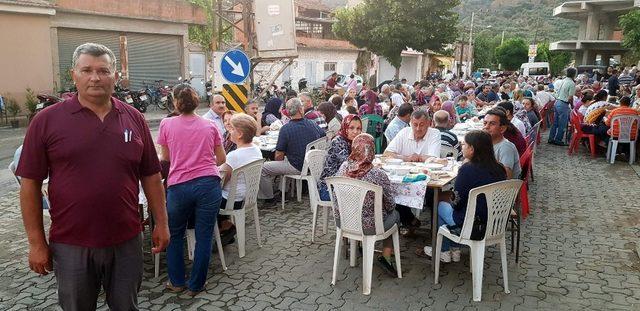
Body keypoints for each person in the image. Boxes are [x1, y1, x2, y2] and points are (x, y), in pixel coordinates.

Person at [17, 43, 169, 310]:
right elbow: (29, 184)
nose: (95, 77)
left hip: (126, 240)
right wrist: (36, 243)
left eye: (103, 70)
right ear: (73, 74)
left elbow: (151, 176)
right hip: (71, 243)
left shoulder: (133, 118)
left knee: (126, 306)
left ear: (115, 76)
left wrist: (162, 223)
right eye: (86, 70)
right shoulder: (47, 121)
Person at [158, 84, 226, 296]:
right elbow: (222, 159)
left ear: (175, 102)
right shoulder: (210, 126)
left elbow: (166, 158)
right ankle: (196, 285)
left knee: (175, 234)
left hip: (179, 186)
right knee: (204, 235)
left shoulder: (166, 124)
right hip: (208, 184)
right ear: (197, 102)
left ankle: (177, 281)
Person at [422, 131, 507, 262]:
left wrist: (447, 197)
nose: (462, 148)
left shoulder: (467, 169)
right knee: (446, 202)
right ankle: (454, 249)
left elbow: (457, 203)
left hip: (472, 226)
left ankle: (443, 250)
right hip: (494, 224)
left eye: (464, 145)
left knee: (439, 204)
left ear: (472, 149)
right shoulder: (499, 169)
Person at [335, 133, 401, 275]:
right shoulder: (378, 174)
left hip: (345, 221)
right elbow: (390, 205)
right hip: (370, 227)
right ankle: (386, 256)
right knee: (395, 215)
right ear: (372, 150)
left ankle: (361, 247)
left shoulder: (343, 167)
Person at [258, 98, 325, 207]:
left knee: (263, 168)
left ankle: (268, 199)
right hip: (314, 164)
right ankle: (283, 191)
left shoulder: (286, 129)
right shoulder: (312, 124)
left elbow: (279, 155)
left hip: (297, 166)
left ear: (288, 112)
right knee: (287, 159)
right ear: (301, 110)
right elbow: (323, 136)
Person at [218, 114, 264, 229]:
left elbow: (220, 182)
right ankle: (224, 225)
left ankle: (221, 228)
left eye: (232, 129)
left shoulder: (234, 156)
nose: (229, 131)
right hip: (247, 197)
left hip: (231, 201)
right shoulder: (256, 149)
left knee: (202, 197)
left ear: (239, 134)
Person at [318, 115, 362, 201]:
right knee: (362, 196)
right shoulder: (338, 142)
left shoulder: (355, 142)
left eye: (358, 129)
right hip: (328, 188)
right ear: (345, 127)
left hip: (344, 184)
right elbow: (349, 166)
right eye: (351, 128)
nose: (355, 132)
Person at [483, 108, 522, 179]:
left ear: (502, 129)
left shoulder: (506, 147)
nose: (486, 127)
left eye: (492, 124)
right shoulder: (487, 143)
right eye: (485, 123)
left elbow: (506, 177)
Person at [549, 67, 577, 146]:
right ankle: (558, 140)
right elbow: (570, 97)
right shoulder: (571, 83)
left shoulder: (562, 80)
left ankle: (551, 138)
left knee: (555, 123)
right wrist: (572, 105)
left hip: (557, 102)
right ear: (574, 74)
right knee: (563, 124)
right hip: (563, 104)